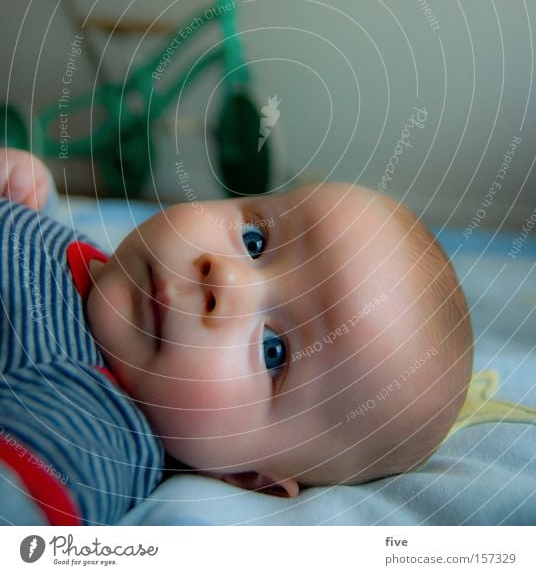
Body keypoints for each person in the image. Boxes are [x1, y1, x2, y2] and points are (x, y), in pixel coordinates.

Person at [0, 148, 473, 523]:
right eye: (255, 241)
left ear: (248, 476)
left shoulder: (88, 424)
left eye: (274, 352)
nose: (222, 280)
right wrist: (22, 186)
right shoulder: (93, 259)